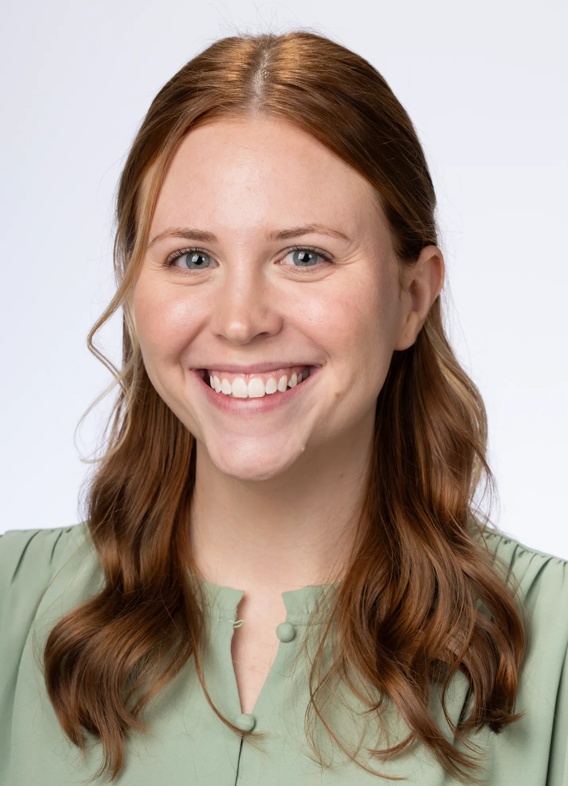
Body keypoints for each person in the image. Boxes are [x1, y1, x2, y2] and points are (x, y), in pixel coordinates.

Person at [1, 31, 567, 786]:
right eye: (191, 258)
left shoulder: (554, 648)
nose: (240, 320)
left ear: (412, 298)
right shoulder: (10, 609)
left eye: (305, 256)